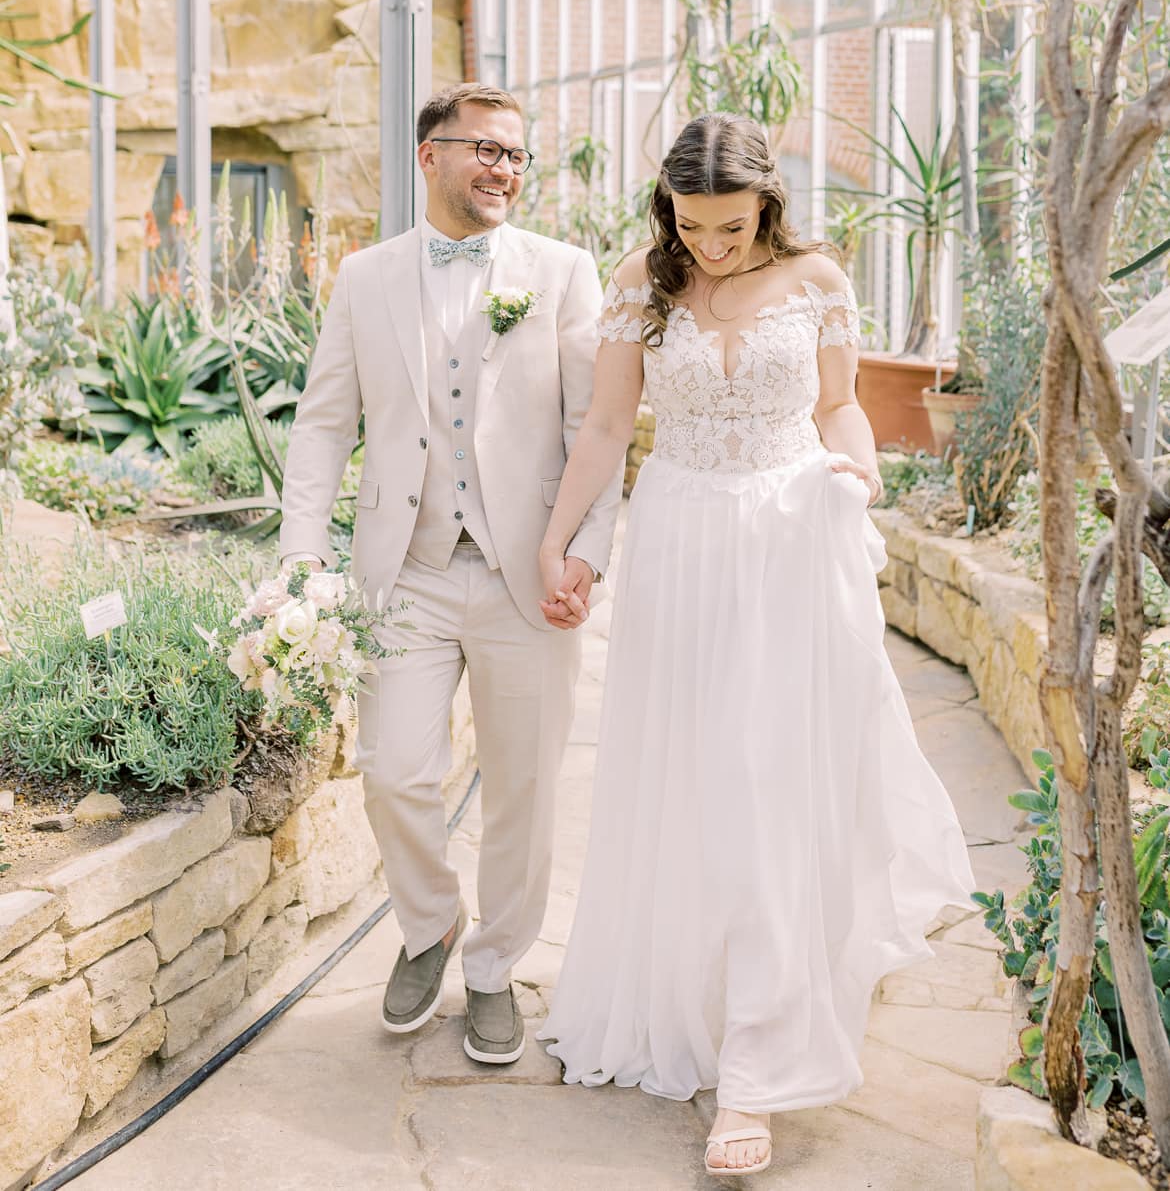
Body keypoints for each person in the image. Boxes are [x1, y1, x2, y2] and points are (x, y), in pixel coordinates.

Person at [536, 113, 974, 1180]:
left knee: (770, 786)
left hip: (787, 542)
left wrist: (859, 478)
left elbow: (839, 410)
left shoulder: (819, 276)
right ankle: (686, 995)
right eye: (695, 227)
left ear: (767, 204)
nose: (714, 248)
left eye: (732, 228)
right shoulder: (643, 276)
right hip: (681, 542)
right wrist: (562, 540)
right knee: (687, 780)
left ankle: (760, 1070)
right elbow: (604, 427)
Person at [279, 83, 623, 1066]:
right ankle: (429, 926)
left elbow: (596, 434)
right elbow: (322, 427)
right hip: (409, 573)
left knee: (524, 788)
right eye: (484, 149)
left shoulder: (562, 273)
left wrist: (587, 555)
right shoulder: (365, 277)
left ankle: (493, 967)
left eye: (516, 154)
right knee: (392, 770)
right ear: (429, 155)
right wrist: (303, 561)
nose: (504, 168)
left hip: (532, 575)